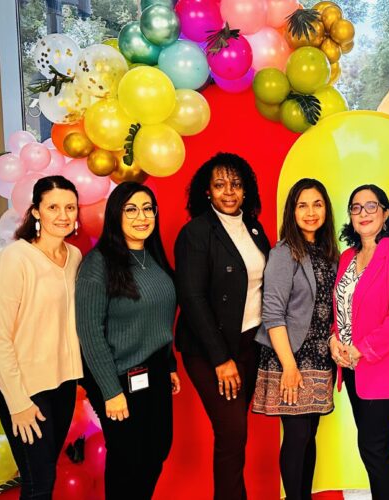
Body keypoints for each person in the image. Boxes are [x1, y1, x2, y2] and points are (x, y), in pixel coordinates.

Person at [175, 152, 271, 500]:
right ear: (207, 192)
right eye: (219, 185)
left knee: (235, 436)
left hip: (249, 344)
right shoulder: (196, 233)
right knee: (232, 435)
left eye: (236, 184)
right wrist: (220, 359)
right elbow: (192, 298)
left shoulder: (254, 226)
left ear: (246, 190)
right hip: (210, 349)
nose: (228, 192)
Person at [75, 182, 179, 499]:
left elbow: (159, 317)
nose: (141, 217)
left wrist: (170, 364)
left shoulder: (153, 256)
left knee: (157, 449)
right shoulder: (99, 263)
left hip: (154, 370)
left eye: (147, 208)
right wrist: (110, 391)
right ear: (116, 215)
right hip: (117, 376)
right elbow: (89, 332)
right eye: (131, 209)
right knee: (127, 459)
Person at [0, 175, 83, 499]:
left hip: (63, 384)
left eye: (70, 207)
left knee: (43, 477)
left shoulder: (75, 257)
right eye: (53, 206)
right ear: (36, 212)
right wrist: (18, 402)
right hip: (25, 389)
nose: (63, 215)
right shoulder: (14, 260)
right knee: (39, 485)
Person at [331, 184, 389, 499]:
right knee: (371, 447)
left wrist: (360, 349)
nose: (363, 213)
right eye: (356, 208)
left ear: (385, 213)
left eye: (371, 206)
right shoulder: (347, 257)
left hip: (385, 368)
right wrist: (335, 341)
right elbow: (341, 308)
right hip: (354, 369)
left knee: (375, 447)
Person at [251, 178, 339, 500]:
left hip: (320, 357)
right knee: (297, 434)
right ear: (292, 211)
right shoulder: (284, 253)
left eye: (317, 204)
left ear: (326, 209)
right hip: (291, 356)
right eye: (303, 205)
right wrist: (289, 366)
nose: (311, 212)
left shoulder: (329, 252)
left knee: (310, 434)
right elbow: (273, 313)